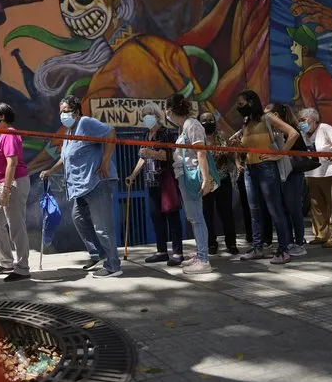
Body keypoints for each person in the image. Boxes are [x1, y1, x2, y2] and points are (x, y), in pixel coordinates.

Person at [39, 96, 122, 278]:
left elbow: (110, 132)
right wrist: (50, 170)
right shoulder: (70, 132)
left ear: (76, 112)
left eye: (66, 111)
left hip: (97, 181)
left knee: (103, 226)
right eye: (60, 111)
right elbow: (65, 157)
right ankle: (97, 254)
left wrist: (106, 162)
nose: (62, 114)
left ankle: (113, 265)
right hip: (81, 186)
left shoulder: (85, 123)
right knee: (78, 218)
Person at [231, 90, 299, 264]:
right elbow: (244, 147)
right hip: (250, 170)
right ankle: (257, 247)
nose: (239, 107)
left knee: (275, 209)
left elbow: (293, 133)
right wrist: (239, 159)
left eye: (241, 103)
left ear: (251, 102)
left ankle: (283, 250)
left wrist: (279, 154)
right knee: (254, 211)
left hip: (266, 168)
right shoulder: (246, 123)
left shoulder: (268, 118)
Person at [125, 103, 183, 266]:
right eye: (144, 114)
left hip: (166, 180)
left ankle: (178, 253)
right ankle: (162, 251)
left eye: (149, 113)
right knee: (156, 216)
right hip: (151, 181)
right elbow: (143, 157)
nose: (146, 117)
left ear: (157, 115)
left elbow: (170, 155)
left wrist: (153, 153)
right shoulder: (146, 134)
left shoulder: (167, 133)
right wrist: (132, 175)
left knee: (172, 216)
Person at [0, 103, 31, 282]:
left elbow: (12, 164)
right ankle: (6, 262)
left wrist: (6, 190)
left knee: (16, 225)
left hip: (14, 184)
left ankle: (23, 268)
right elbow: (1, 168)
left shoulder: (10, 133)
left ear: (2, 117)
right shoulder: (2, 135)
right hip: (3, 184)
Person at [165, 94, 214, 274]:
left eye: (166, 110)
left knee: (197, 218)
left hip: (192, 176)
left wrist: (206, 179)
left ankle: (204, 260)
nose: (166, 114)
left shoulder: (192, 125)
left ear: (170, 110)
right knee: (193, 218)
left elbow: (201, 153)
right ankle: (200, 255)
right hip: (185, 176)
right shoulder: (184, 127)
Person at [264, 103, 308, 257]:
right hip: (279, 172)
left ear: (276, 115)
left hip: (292, 172)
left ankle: (300, 242)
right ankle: (288, 241)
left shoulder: (289, 128)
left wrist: (281, 153)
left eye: (267, 114)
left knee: (294, 207)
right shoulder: (271, 130)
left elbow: (295, 140)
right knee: (282, 208)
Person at [298, 108, 332, 248]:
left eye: (304, 120)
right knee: (317, 205)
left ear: (314, 120)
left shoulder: (325, 128)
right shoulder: (303, 133)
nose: (301, 123)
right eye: (299, 120)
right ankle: (321, 234)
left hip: (330, 171)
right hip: (312, 173)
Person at [199, 112, 239, 255]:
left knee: (226, 213)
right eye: (204, 120)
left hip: (223, 180)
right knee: (207, 214)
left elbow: (230, 154)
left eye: (211, 119)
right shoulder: (198, 139)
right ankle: (211, 244)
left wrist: (231, 152)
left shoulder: (222, 136)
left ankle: (231, 243)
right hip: (206, 182)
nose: (208, 122)